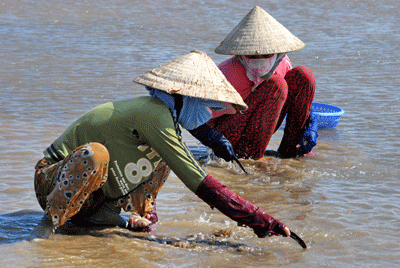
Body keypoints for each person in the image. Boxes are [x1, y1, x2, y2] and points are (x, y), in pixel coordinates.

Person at [30, 50, 291, 241]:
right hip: (53, 183)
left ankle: (116, 219)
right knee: (95, 155)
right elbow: (197, 180)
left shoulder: (167, 121)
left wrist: (149, 222)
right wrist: (257, 218)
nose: (209, 114)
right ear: (184, 98)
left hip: (94, 200)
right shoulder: (152, 114)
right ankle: (47, 225)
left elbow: (168, 173)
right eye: (209, 106)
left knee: (163, 157)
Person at [207, 6, 318, 159]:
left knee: (304, 75)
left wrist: (312, 123)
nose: (260, 61)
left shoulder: (282, 63)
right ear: (241, 54)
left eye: (267, 54)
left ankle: (292, 151)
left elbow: (297, 98)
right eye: (252, 55)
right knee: (276, 85)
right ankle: (251, 156)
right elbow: (199, 117)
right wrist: (217, 143)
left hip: (262, 123)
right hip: (227, 134)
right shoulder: (227, 73)